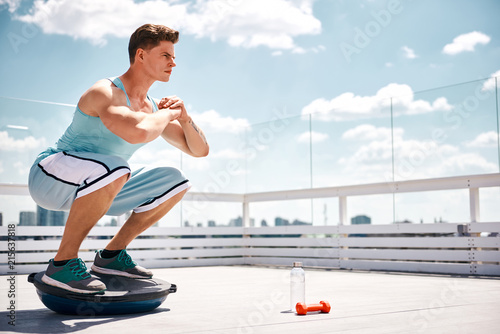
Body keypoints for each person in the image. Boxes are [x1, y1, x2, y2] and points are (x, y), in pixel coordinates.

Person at [28, 24, 209, 294]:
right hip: (51, 176)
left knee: (175, 179)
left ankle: (111, 257)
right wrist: (169, 115)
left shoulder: (153, 108)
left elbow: (199, 150)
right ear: (141, 55)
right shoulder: (106, 92)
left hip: (103, 182)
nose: (173, 62)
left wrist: (185, 117)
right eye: (166, 55)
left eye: (173, 56)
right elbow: (137, 132)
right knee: (117, 166)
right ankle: (62, 263)